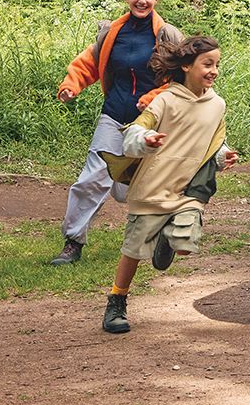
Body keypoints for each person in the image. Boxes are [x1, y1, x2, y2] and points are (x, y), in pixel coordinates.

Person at [98, 35, 238, 334]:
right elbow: (135, 131)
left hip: (189, 188)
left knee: (185, 245)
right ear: (186, 65)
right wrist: (145, 140)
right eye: (207, 64)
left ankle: (168, 239)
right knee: (133, 250)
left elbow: (216, 142)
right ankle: (117, 301)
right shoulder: (165, 100)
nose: (214, 70)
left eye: (217, 65)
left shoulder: (217, 104)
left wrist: (224, 156)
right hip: (154, 186)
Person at [48, 0, 184, 265]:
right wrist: (72, 86)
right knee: (92, 179)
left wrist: (151, 99)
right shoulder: (112, 32)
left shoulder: (167, 35)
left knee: (132, 189)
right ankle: (73, 242)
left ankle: (164, 231)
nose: (142, 1)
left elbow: (180, 81)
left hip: (151, 121)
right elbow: (89, 63)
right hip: (113, 115)